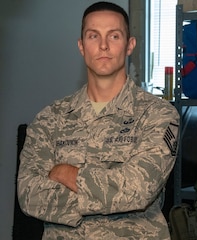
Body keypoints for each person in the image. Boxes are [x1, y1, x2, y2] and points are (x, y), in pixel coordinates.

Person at [17, 2, 179, 239]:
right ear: (81, 46)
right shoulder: (50, 118)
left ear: (129, 45)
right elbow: (29, 194)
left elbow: (139, 189)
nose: (103, 45)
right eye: (94, 36)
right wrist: (115, 201)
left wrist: (65, 173)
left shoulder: (158, 114)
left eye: (114, 35)